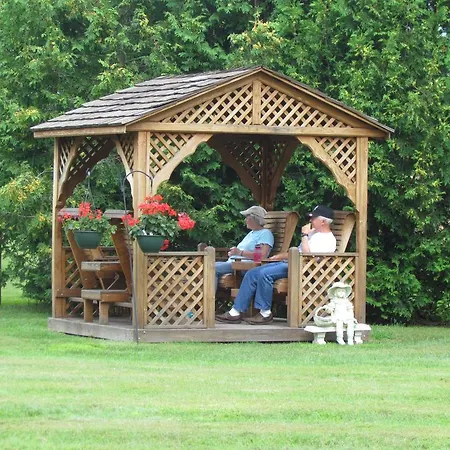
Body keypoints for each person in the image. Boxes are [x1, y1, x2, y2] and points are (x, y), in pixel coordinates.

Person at [216, 205, 337, 325]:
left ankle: (265, 313)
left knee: (264, 274)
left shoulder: (328, 239)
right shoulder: (313, 234)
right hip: (289, 263)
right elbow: (297, 252)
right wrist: (280, 256)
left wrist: (304, 236)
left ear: (323, 221)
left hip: (301, 268)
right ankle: (235, 312)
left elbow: (308, 257)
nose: (310, 221)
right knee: (252, 273)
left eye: (313, 218)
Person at [215, 206, 274, 291]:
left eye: (247, 217)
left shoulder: (264, 234)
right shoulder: (251, 233)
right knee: (207, 265)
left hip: (245, 267)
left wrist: (240, 252)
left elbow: (260, 256)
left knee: (212, 268)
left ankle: (208, 297)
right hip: (234, 264)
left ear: (255, 219)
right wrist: (233, 253)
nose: (245, 220)